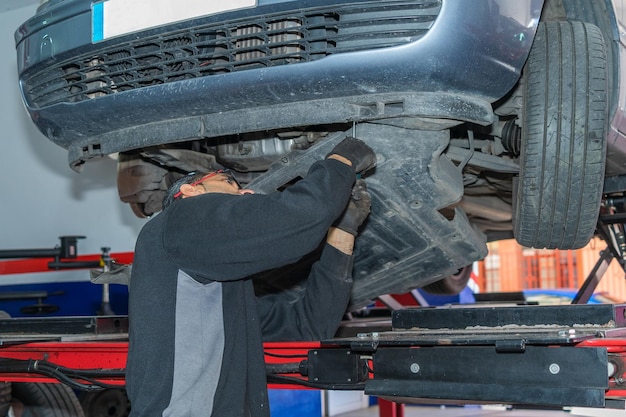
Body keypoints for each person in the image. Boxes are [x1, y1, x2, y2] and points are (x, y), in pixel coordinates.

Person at [125, 137, 376, 417]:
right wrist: (342, 161)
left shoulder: (225, 290)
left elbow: (307, 327)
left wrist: (343, 232)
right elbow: (293, 220)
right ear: (190, 190)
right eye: (231, 182)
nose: (247, 193)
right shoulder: (178, 218)